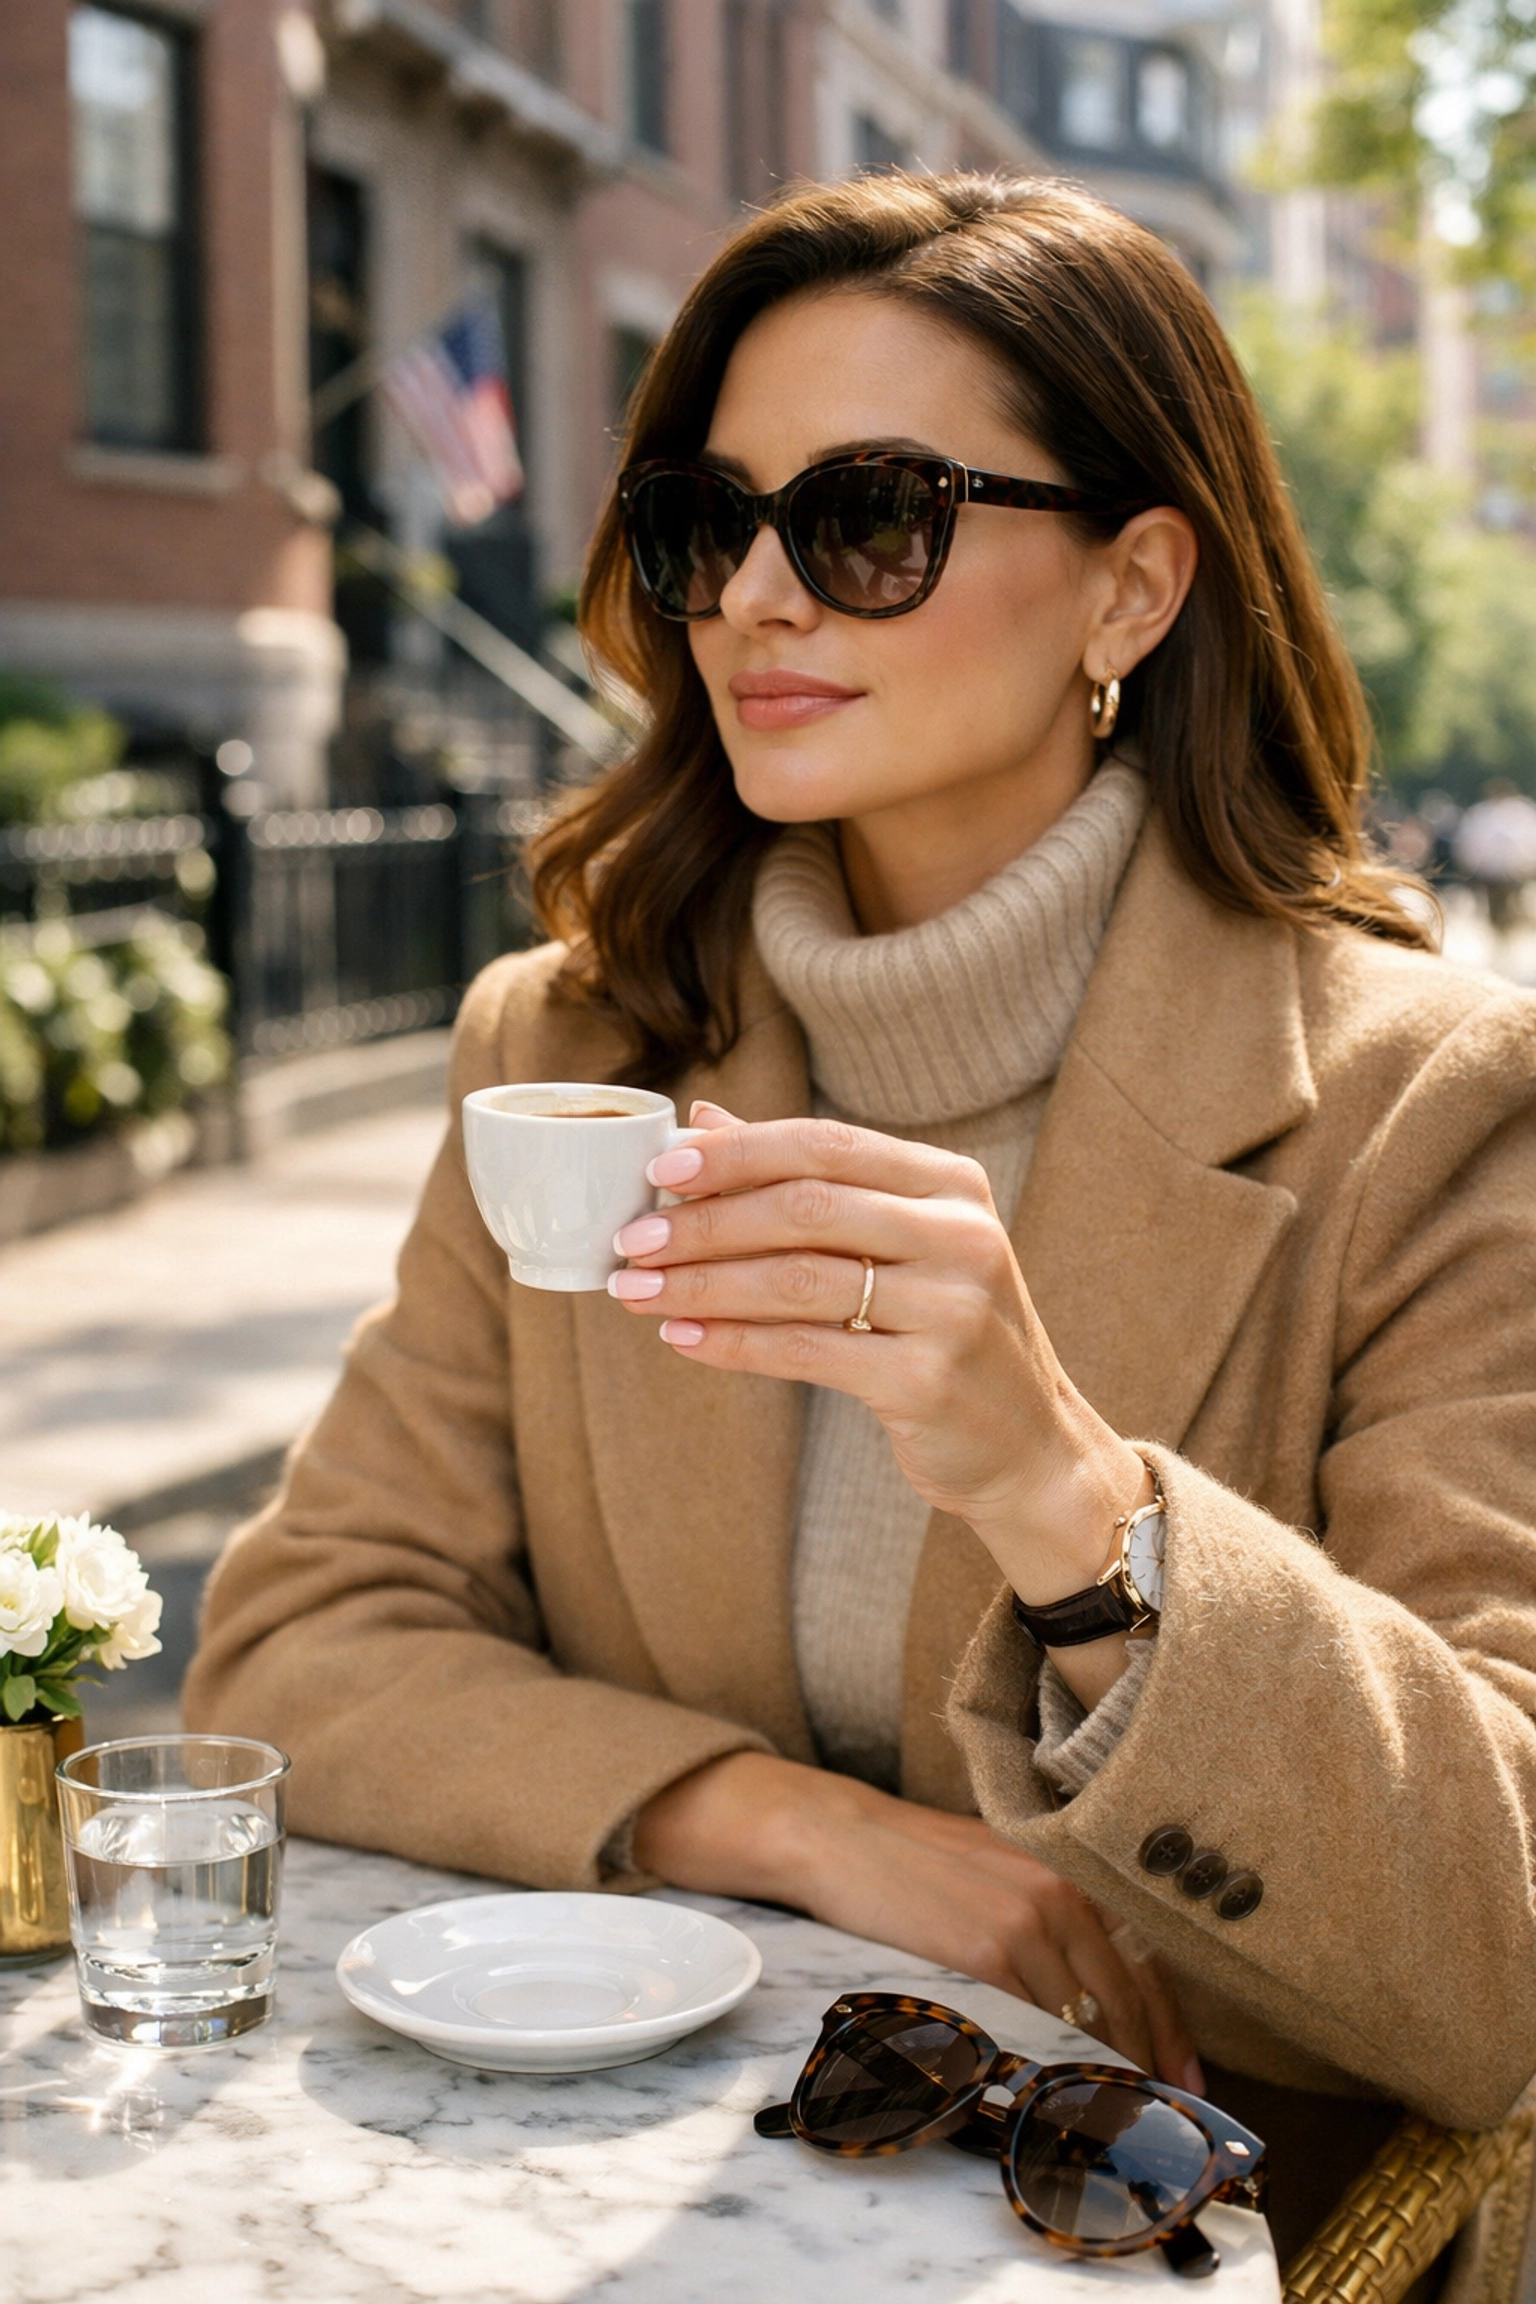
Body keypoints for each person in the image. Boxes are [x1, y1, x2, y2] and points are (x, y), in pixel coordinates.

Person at [187, 174, 1536, 2287]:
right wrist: (793, 1825)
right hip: (594, 2205)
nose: (753, 595)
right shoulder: (573, 1051)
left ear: (1131, 588)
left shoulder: (1427, 1104)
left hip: (1147, 2242)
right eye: (703, 523)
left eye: (870, 519)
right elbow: (298, 1647)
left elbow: (1499, 1954)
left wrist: (1075, 1508)